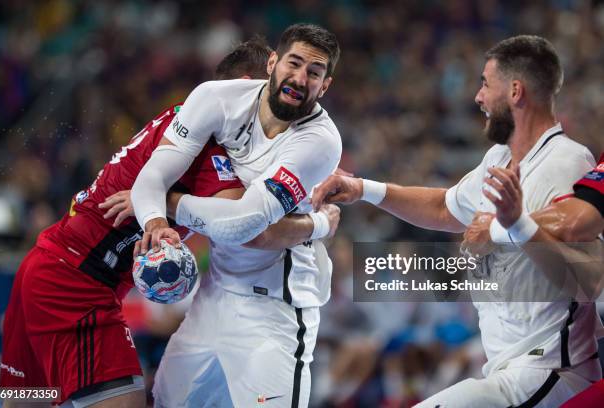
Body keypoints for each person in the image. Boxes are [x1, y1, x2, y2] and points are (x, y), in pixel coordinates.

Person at [0, 37, 340, 407]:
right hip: (77, 286)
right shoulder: (212, 150)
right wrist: (319, 223)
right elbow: (253, 231)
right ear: (244, 83)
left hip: (45, 263)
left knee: (26, 400)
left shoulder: (179, 122)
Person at [311, 35, 600, 407]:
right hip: (506, 372)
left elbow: (588, 279)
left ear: (515, 91)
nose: (478, 97)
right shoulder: (498, 158)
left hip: (550, 375)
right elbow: (445, 208)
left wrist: (509, 227)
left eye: (484, 83)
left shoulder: (566, 162)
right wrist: (363, 188)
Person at [130, 23, 342, 407]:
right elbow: (151, 177)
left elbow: (247, 228)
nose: (300, 78)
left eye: (314, 73)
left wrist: (170, 203)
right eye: (293, 63)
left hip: (275, 312)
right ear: (273, 62)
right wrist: (155, 222)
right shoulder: (217, 99)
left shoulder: (320, 141)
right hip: (212, 297)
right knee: (163, 401)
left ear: (324, 86)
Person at [462, 154, 604, 407]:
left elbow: (577, 221)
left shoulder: (569, 157)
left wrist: (497, 229)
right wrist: (368, 189)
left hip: (559, 364)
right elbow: (442, 208)